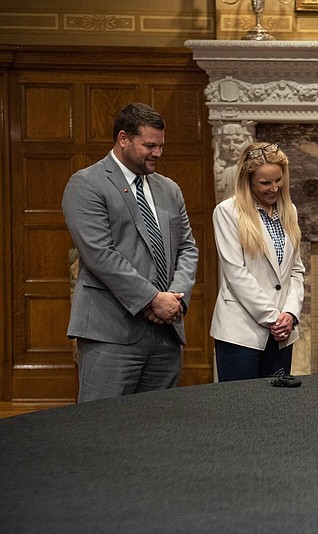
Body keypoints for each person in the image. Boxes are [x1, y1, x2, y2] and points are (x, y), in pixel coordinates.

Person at [62, 102, 199, 402]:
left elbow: (188, 248)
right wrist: (153, 298)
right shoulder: (86, 184)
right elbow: (100, 254)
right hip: (111, 335)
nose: (158, 153)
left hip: (166, 333)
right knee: (101, 431)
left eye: (161, 146)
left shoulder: (170, 189)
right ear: (123, 138)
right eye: (149, 145)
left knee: (155, 433)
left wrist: (175, 297)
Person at [210, 142, 305, 381]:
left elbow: (296, 270)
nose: (274, 188)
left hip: (282, 333)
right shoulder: (227, 211)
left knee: (275, 408)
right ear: (248, 180)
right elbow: (235, 274)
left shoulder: (289, 211)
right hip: (241, 331)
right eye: (265, 183)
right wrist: (274, 318)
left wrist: (290, 314)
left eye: (278, 180)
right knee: (241, 409)